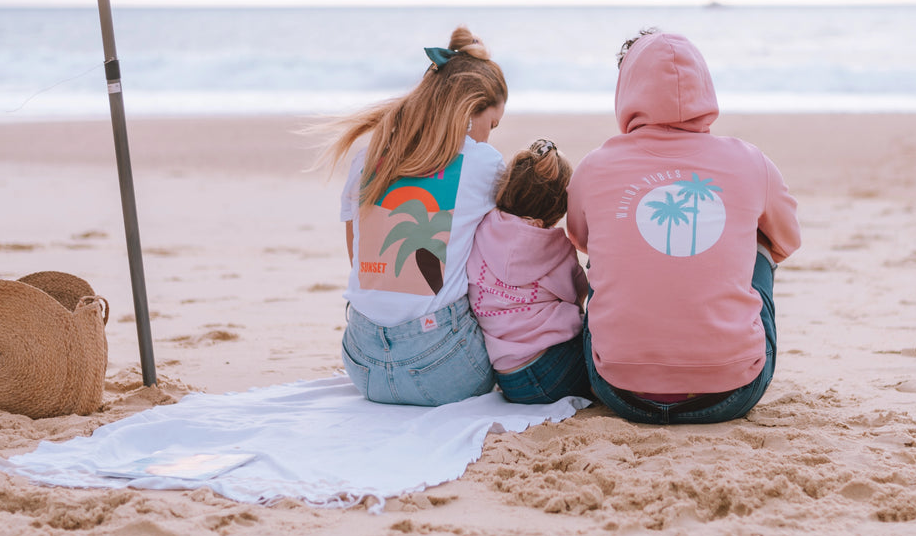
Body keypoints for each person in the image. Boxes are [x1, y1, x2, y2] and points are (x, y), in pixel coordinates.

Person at [566, 30, 802, 424]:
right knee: (760, 239)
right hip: (732, 392)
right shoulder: (750, 161)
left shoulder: (594, 167)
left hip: (619, 390)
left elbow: (581, 240)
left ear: (628, 90)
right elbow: (787, 240)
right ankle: (719, 351)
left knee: (606, 259)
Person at [319, 26, 507, 405]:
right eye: (492, 124)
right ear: (469, 112)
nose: (489, 136)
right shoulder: (483, 162)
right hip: (442, 368)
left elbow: (358, 258)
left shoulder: (367, 158)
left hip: (362, 364)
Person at [467, 139, 591, 405]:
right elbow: (578, 294)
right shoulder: (556, 246)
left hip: (509, 379)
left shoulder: (482, 229)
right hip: (554, 369)